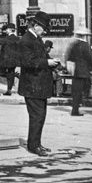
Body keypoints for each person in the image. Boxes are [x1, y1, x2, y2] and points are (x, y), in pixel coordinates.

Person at [18, 11, 61, 156]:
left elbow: (40, 57)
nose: (45, 31)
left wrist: (52, 62)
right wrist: (47, 62)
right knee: (37, 116)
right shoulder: (26, 40)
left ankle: (37, 143)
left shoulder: (36, 39)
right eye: (43, 28)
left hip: (39, 86)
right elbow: (28, 61)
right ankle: (33, 146)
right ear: (35, 25)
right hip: (32, 86)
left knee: (40, 116)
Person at [65, 32, 92, 117]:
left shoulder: (73, 45)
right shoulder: (86, 45)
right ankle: (80, 105)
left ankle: (75, 109)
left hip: (76, 71)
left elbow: (69, 57)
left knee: (76, 91)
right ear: (84, 36)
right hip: (84, 71)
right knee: (86, 88)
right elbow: (90, 58)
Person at [0, 23, 20, 95]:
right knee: (11, 73)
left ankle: (9, 89)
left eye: (7, 29)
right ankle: (10, 88)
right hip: (15, 60)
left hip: (7, 60)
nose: (6, 30)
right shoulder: (17, 39)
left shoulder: (6, 39)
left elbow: (0, 45)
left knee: (8, 74)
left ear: (10, 30)